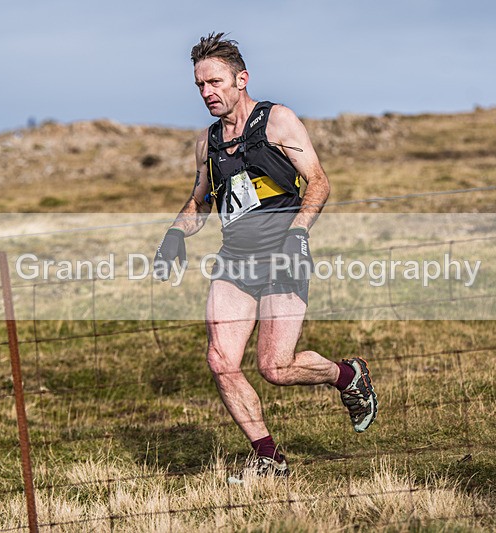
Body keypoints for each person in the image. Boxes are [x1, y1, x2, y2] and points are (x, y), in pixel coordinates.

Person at [154, 32, 377, 478]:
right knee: (221, 360)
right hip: (234, 261)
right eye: (199, 85)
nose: (206, 93)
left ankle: (347, 376)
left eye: (215, 82)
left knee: (275, 366)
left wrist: (298, 234)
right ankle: (268, 458)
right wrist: (176, 235)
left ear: (241, 79)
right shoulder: (208, 143)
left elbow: (318, 181)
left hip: (282, 255)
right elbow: (200, 202)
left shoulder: (278, 121)